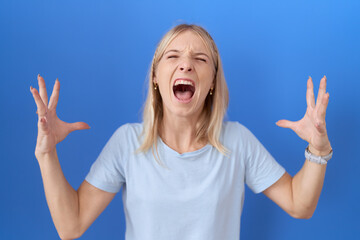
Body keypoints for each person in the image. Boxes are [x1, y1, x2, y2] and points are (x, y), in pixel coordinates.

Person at [30, 24, 333, 240]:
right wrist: (46, 153)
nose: (185, 64)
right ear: (156, 77)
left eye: (200, 59)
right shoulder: (127, 142)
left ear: (212, 81)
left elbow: (299, 204)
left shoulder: (237, 141)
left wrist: (318, 150)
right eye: (172, 56)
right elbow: (71, 226)